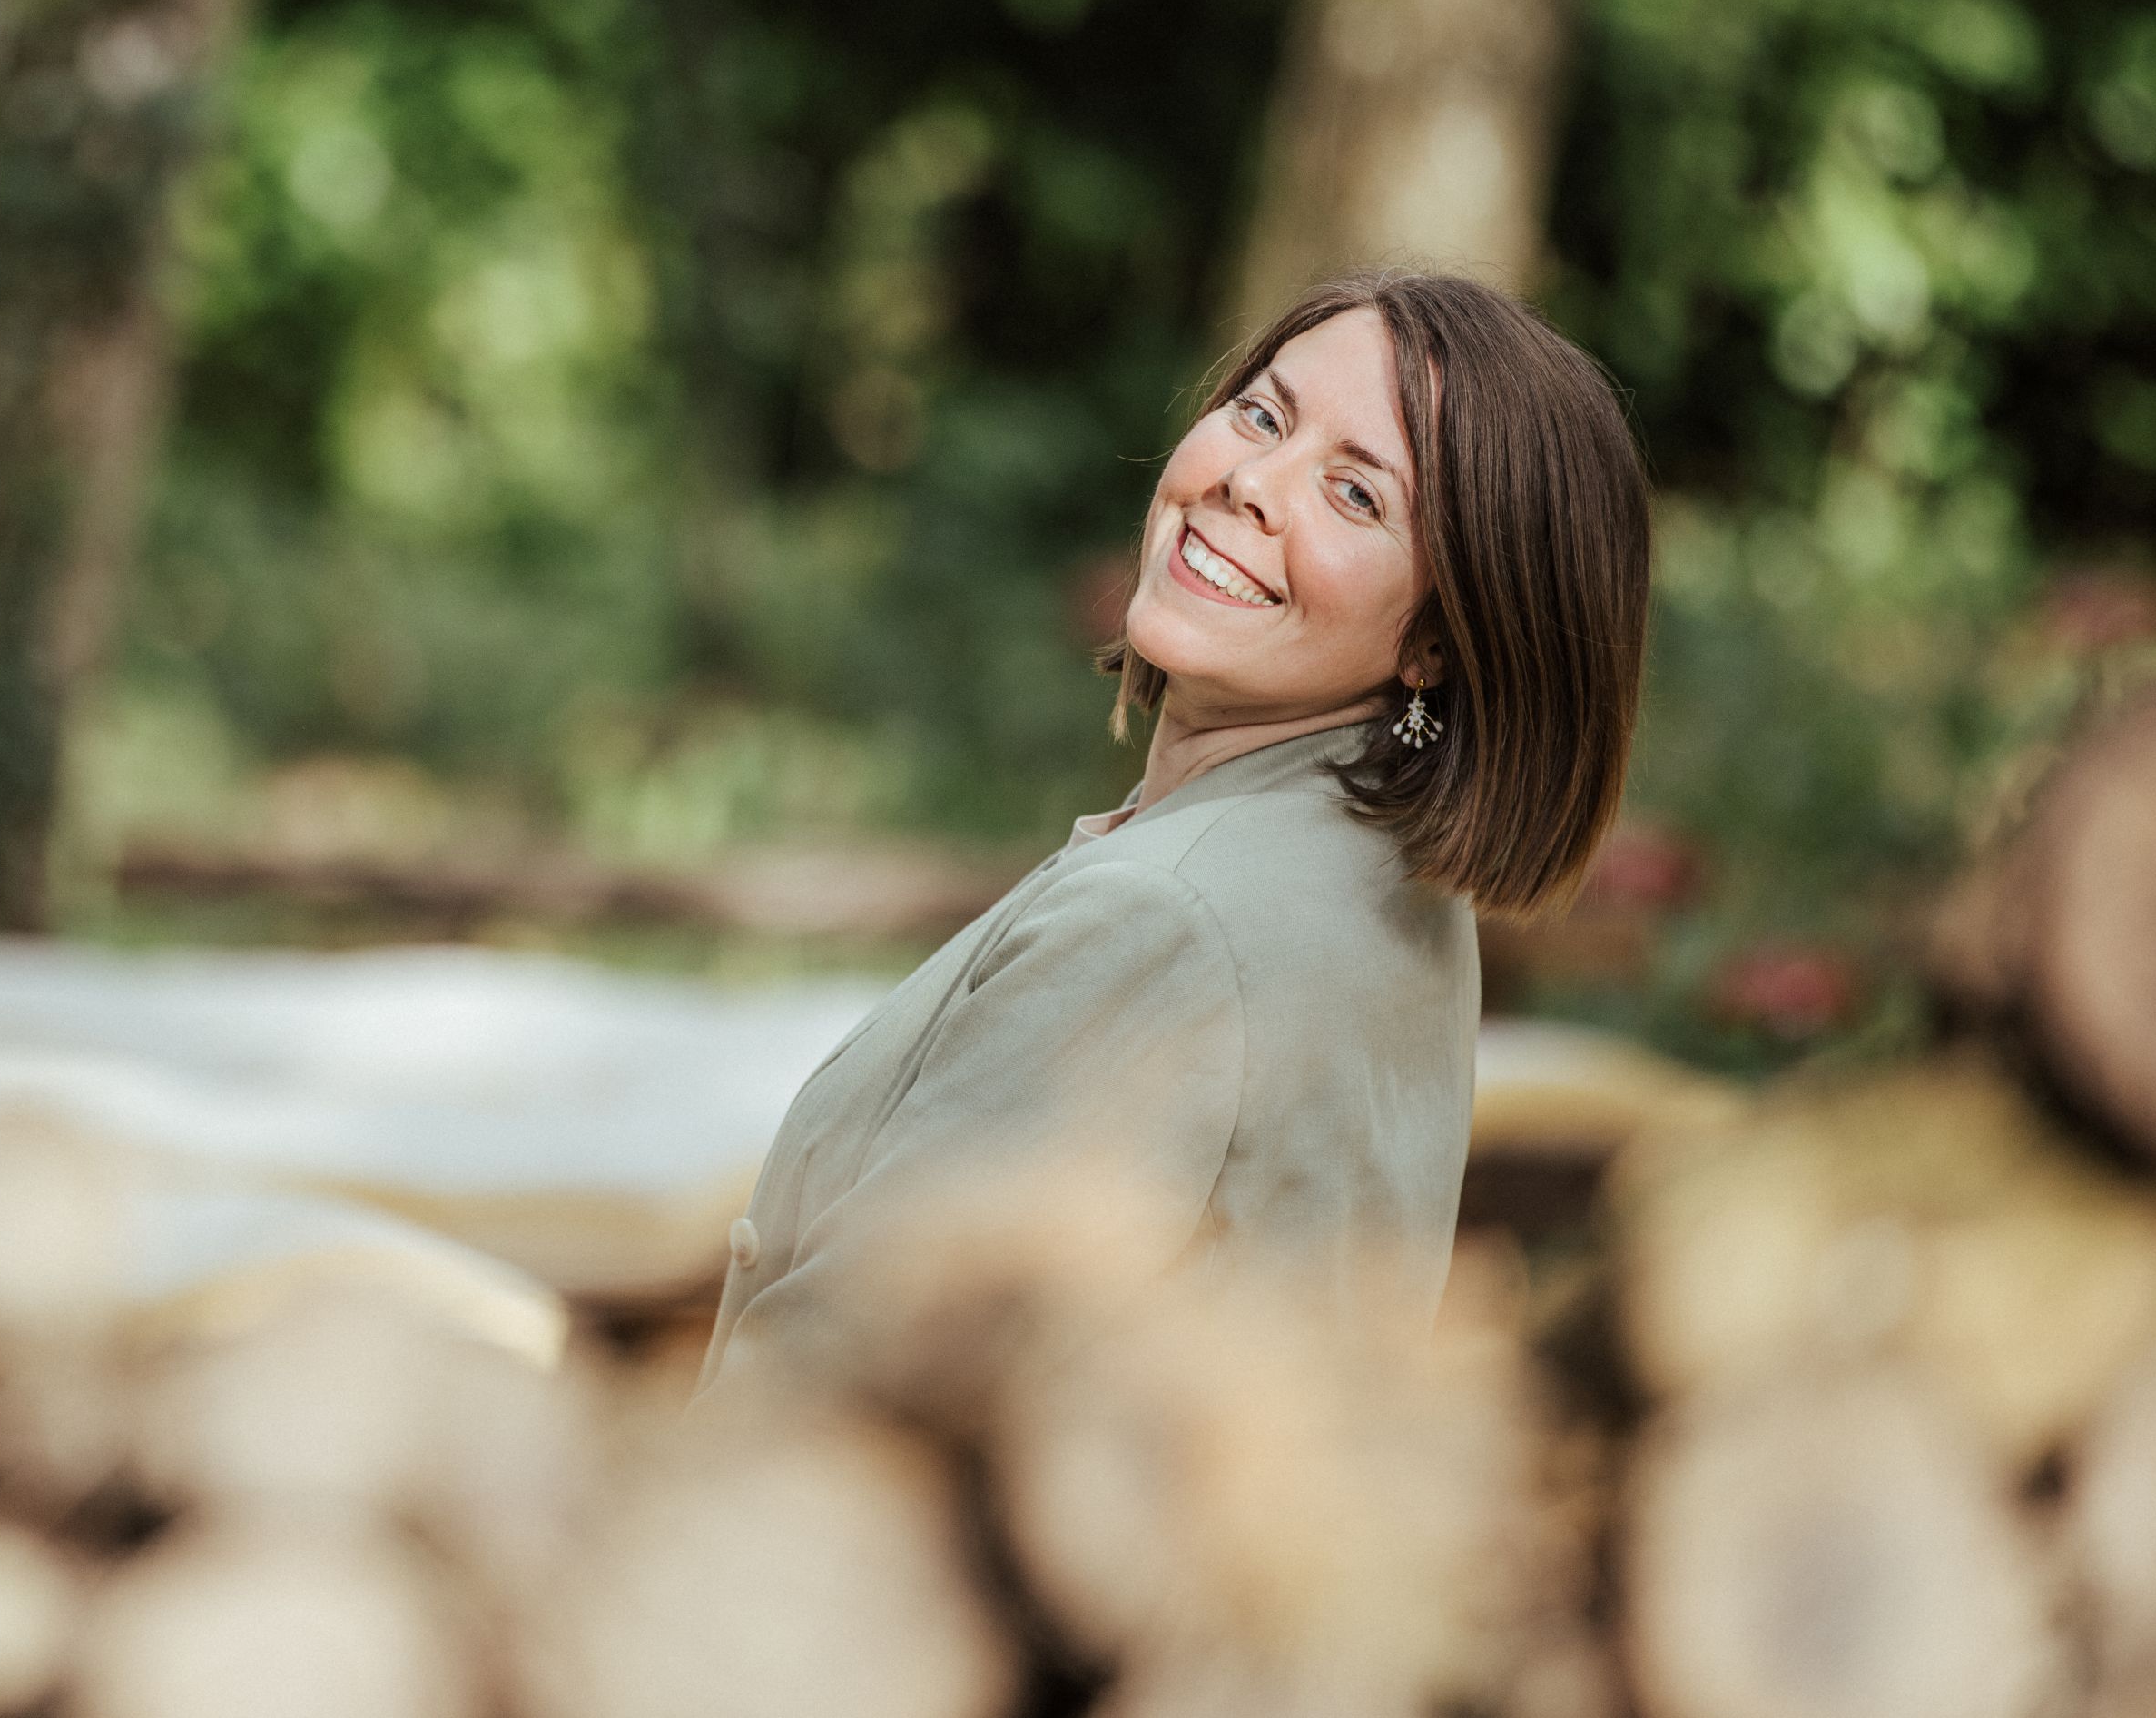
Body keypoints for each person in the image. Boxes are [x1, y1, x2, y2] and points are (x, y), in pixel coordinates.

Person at [698, 270, 1650, 1394]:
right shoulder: (1384, 887)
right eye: (1261, 414)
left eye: (1355, 495)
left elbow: (836, 1393)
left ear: (1436, 646)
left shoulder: (1163, 925)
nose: (1249, 483)